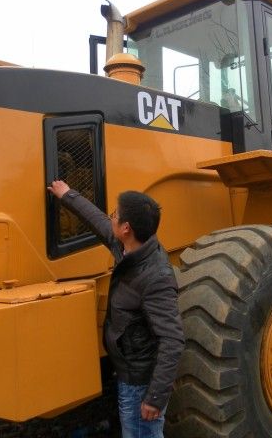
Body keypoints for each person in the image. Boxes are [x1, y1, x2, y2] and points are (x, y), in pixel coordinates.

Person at [48, 180, 185, 438]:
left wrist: (154, 398)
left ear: (126, 228)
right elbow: (99, 221)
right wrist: (68, 194)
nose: (110, 216)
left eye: (115, 214)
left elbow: (173, 339)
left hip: (140, 382)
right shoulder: (127, 247)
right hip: (127, 370)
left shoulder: (156, 277)